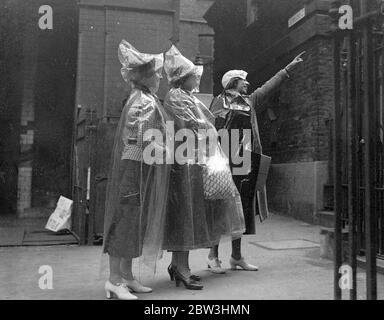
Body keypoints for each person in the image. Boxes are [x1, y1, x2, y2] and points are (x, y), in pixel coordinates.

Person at [207, 52, 305, 273]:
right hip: (224, 161)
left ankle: (236, 256)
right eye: (243, 80)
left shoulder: (250, 101)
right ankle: (213, 255)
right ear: (233, 82)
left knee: (242, 207)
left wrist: (287, 69)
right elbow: (212, 131)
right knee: (220, 207)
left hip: (245, 160)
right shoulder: (218, 102)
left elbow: (267, 86)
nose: (248, 83)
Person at [162, 45, 246, 290]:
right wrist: (210, 125)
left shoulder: (184, 96)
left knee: (186, 216)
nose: (195, 79)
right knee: (184, 216)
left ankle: (179, 265)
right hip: (184, 164)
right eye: (192, 76)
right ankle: (181, 267)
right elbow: (194, 124)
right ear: (182, 77)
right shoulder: (177, 96)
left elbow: (202, 122)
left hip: (191, 163)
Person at [102, 40, 170, 300]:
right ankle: (114, 280)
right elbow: (144, 137)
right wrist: (168, 152)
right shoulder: (143, 101)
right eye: (155, 73)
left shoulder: (145, 98)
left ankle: (127, 277)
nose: (159, 77)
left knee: (134, 222)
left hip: (140, 166)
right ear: (145, 76)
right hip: (136, 166)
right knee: (125, 222)